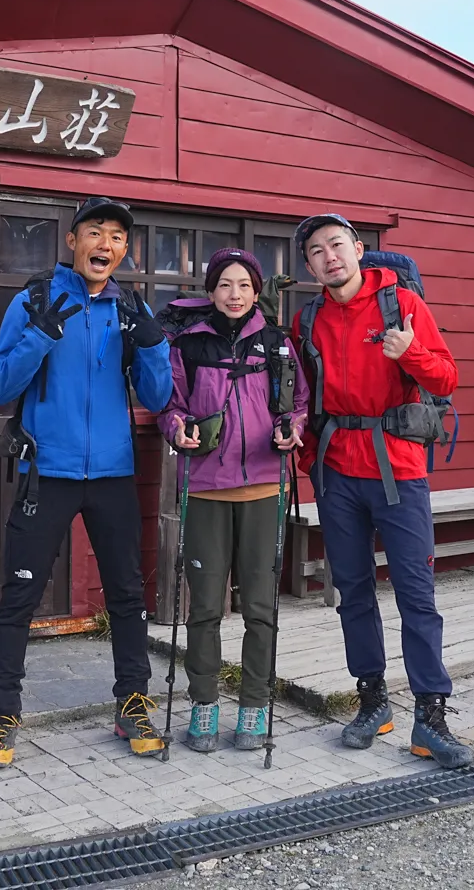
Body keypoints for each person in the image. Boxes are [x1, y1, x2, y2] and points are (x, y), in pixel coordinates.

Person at [0, 197, 174, 767]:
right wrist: (39, 336)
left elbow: (159, 400)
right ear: (72, 241)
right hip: (48, 476)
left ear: (124, 251)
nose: (104, 244)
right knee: (20, 596)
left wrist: (154, 342)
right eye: (94, 232)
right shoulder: (34, 300)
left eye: (116, 237)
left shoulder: (130, 309)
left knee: (128, 597)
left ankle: (132, 701)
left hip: (113, 475)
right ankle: (2, 713)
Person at [291, 213, 472, 769]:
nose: (330, 256)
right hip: (338, 471)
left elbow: (446, 378)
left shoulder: (401, 304)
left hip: (398, 467)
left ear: (358, 249)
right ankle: (373, 702)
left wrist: (408, 354)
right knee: (352, 590)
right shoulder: (309, 319)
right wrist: (301, 452)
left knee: (417, 593)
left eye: (338, 245)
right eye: (317, 251)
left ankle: (430, 716)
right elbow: (304, 398)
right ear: (309, 265)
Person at [158, 249, 307, 753]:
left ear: (256, 289)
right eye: (225, 285)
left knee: (261, 608)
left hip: (265, 488)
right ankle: (203, 706)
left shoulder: (278, 345)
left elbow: (300, 404)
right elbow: (171, 406)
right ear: (211, 290)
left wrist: (293, 430)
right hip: (204, 489)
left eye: (244, 285)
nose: (235, 294)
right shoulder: (189, 345)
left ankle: (254, 706)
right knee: (203, 608)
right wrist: (177, 429)